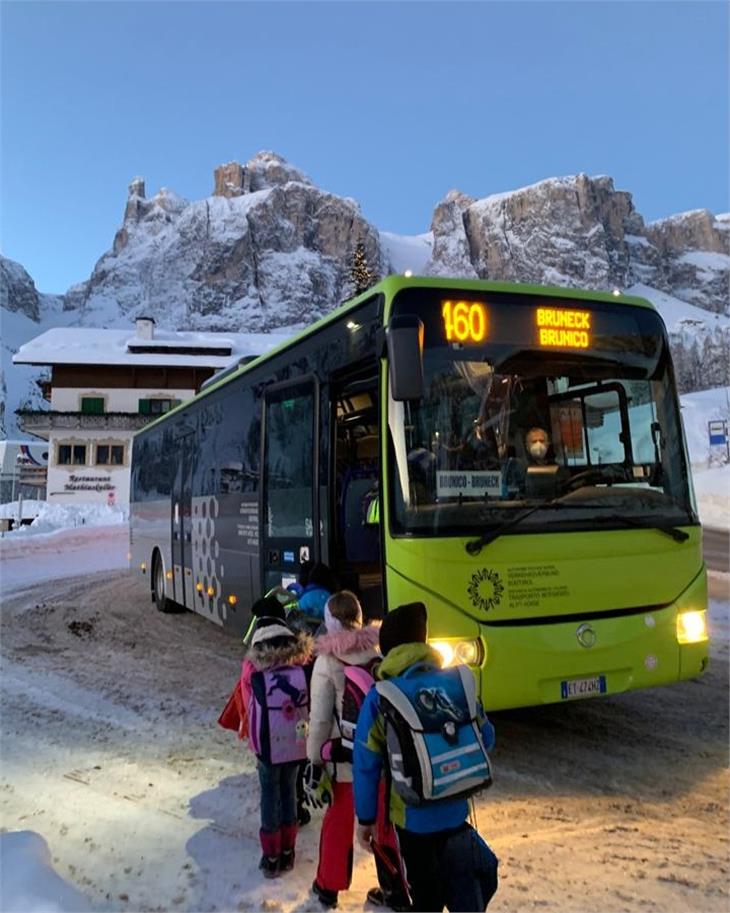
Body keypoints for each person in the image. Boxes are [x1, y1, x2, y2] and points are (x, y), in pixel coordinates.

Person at [353, 602, 498, 912]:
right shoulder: (456, 684)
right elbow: (487, 738)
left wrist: (366, 819)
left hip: (412, 819)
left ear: (388, 649)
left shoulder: (381, 697)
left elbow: (365, 764)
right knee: (468, 885)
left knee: (426, 897)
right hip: (455, 809)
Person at [306, 591, 407, 910]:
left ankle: (328, 886)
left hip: (345, 760)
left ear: (329, 621)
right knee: (384, 826)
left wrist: (314, 759)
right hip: (380, 758)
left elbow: (320, 719)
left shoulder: (327, 661)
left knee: (337, 822)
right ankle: (395, 890)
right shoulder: (377, 654)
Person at [240, 617, 314, 878]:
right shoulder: (301, 669)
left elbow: (247, 701)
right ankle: (288, 851)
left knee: (269, 795)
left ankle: (271, 856)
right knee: (289, 792)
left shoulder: (255, 672)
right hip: (296, 744)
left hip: (267, 746)